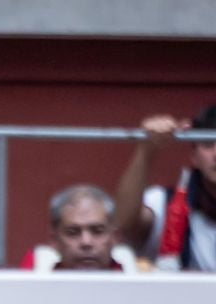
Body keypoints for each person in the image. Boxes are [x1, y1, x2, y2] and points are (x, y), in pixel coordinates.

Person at [113, 105, 216, 271]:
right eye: (207, 144)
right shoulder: (165, 202)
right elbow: (123, 225)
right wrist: (146, 149)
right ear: (194, 157)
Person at [22, 186, 129, 272]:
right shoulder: (33, 281)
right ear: (54, 240)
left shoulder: (135, 281)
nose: (86, 242)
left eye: (97, 231)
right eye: (73, 233)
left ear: (115, 237)